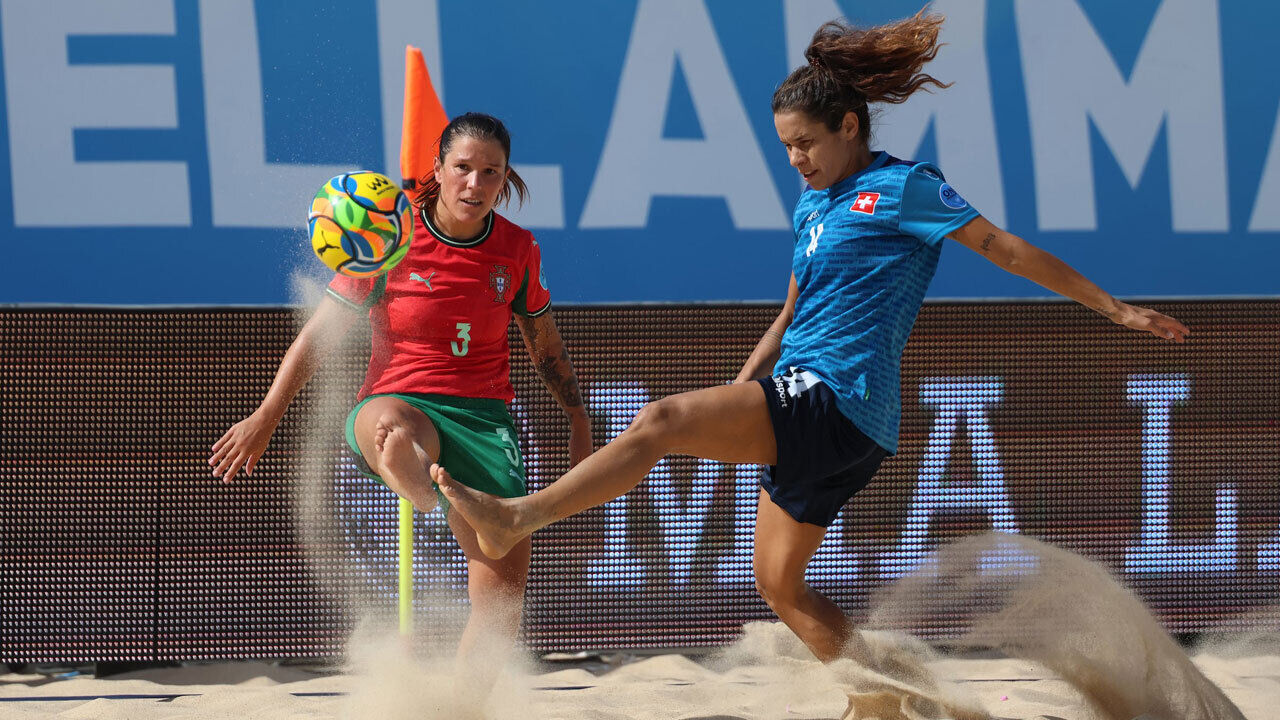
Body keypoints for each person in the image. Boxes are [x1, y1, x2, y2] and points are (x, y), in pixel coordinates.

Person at [428, 14, 1189, 666]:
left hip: (838, 395)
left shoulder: (905, 188)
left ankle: (519, 515)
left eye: (805, 144)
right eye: (786, 148)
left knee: (659, 421)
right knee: (780, 586)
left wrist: (1112, 307)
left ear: (849, 127)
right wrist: (746, 380)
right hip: (830, 413)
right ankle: (890, 695)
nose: (795, 160)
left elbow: (1007, 249)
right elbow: (793, 309)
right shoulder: (814, 205)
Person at [208, 112, 592, 693]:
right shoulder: (391, 234)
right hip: (396, 400)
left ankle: (466, 705)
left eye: (491, 172)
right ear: (437, 169)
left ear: (505, 177)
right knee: (397, 428)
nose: (475, 184)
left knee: (502, 600)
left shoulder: (517, 249)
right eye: (462, 168)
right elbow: (318, 336)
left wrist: (578, 416)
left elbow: (544, 342)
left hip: (485, 420)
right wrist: (267, 415)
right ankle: (414, 473)